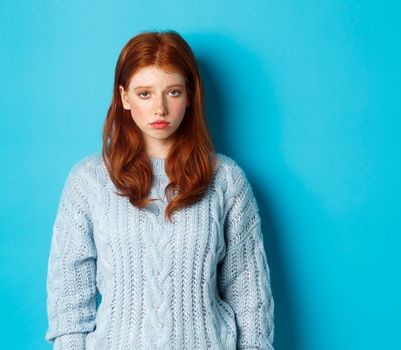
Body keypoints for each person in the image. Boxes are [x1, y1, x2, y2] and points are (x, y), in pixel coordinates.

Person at [44, 30, 275, 349]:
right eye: (145, 93)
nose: (160, 109)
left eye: (173, 92)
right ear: (124, 96)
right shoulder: (88, 181)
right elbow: (69, 304)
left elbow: (250, 301)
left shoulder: (225, 180)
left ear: (190, 95)